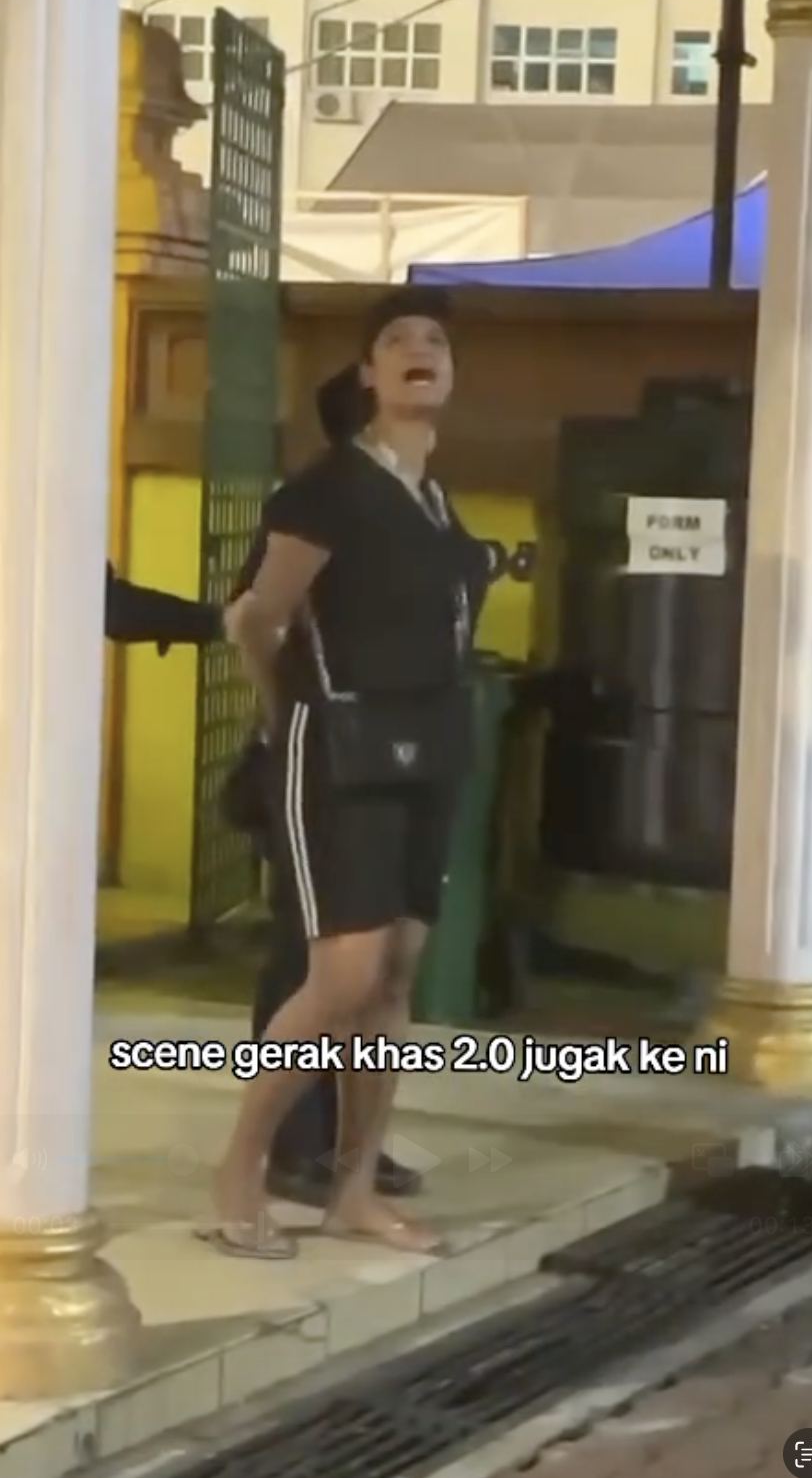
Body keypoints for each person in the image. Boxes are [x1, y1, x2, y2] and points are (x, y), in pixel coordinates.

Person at [200, 285, 494, 1259]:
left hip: (430, 747)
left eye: (435, 340)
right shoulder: (326, 487)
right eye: (397, 339)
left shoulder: (436, 500)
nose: (420, 349)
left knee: (392, 976)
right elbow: (255, 617)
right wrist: (285, 713)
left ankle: (353, 1191)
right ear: (367, 373)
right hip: (339, 749)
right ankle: (240, 1174)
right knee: (343, 973)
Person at [235, 366, 421, 1207]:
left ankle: (349, 1149)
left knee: (370, 967)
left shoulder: (409, 504)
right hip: (321, 759)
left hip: (387, 760)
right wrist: (287, 725)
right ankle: (287, 1147)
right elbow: (255, 620)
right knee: (306, 959)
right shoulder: (316, 504)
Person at [105, 561, 221, 649]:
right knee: (177, 613)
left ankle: (212, 629)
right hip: (120, 600)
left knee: (172, 624)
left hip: (115, 625)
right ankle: (219, 622)